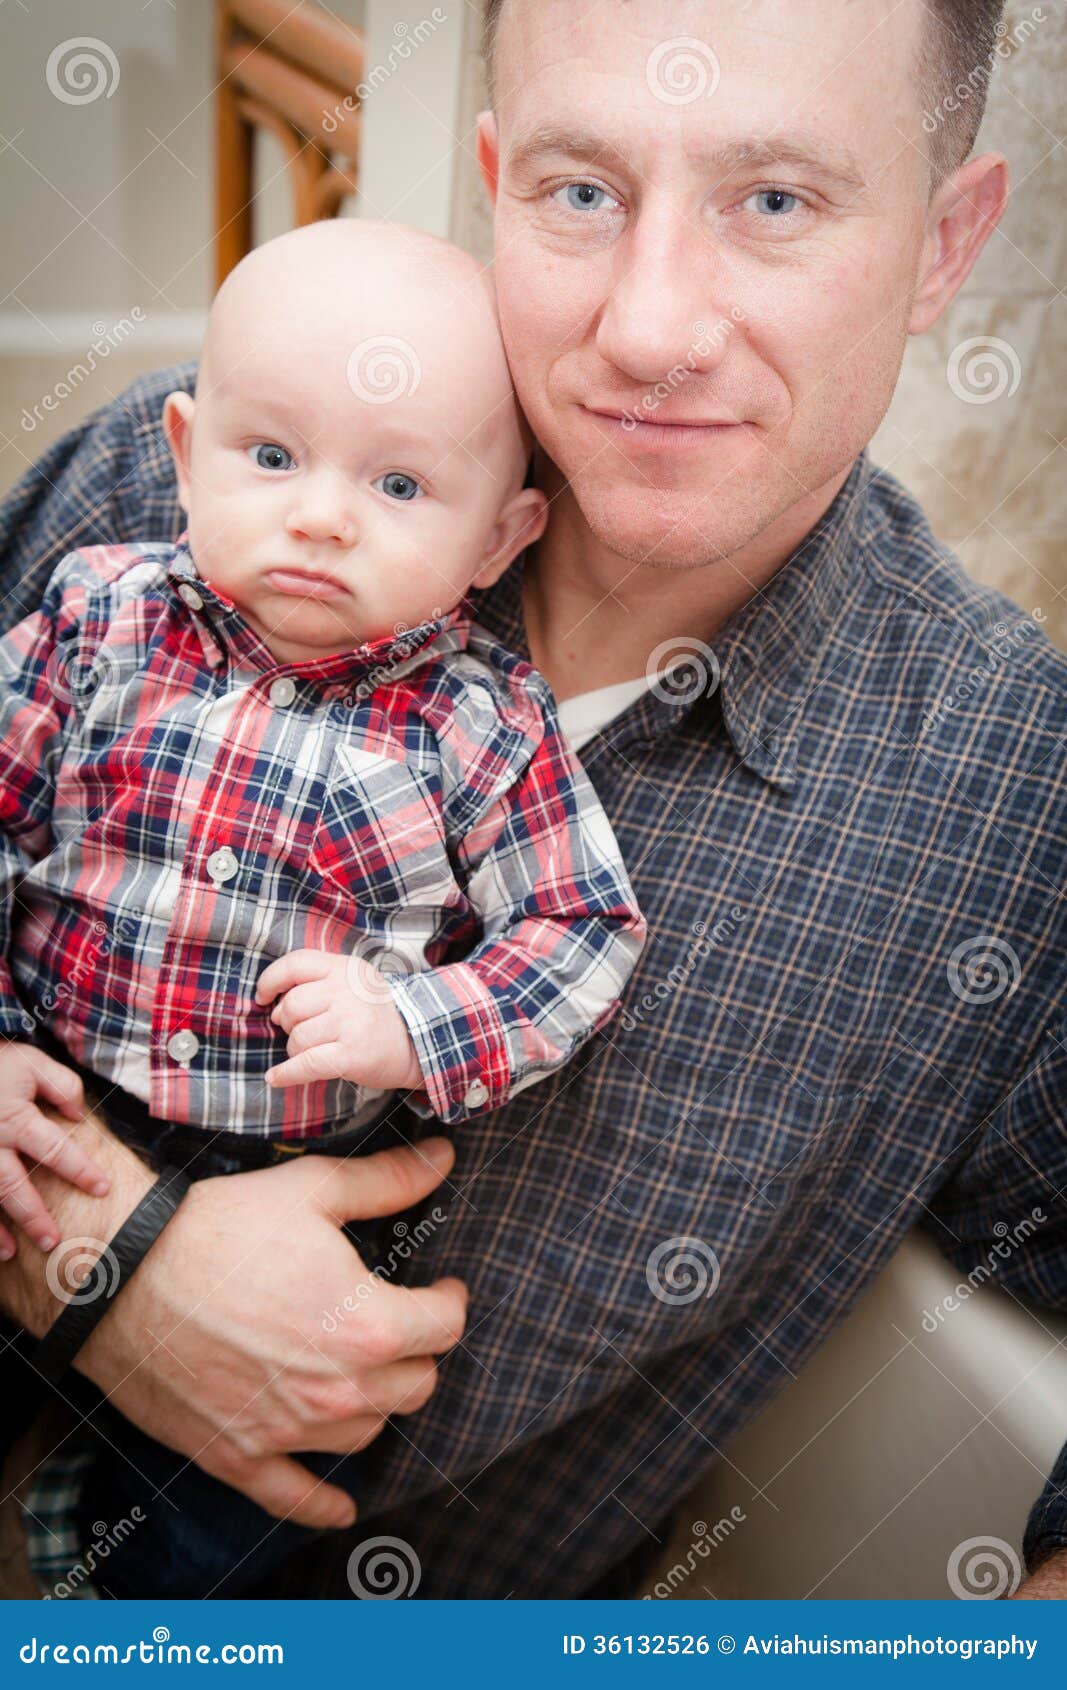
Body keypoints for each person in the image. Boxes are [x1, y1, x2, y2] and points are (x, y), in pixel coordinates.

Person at [1, 0, 1065, 1601]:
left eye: (775, 199)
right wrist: (86, 1262)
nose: (650, 328)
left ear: (943, 244)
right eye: (582, 191)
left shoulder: (1012, 797)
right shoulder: (184, 487)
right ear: (497, 185)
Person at [0, 220, 645, 1594]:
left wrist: (419, 1023)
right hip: (45, 1087)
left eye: (400, 483)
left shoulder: (481, 725)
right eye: (272, 456)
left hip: (284, 1170)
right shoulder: (100, 619)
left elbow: (580, 927)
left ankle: (125, 1596)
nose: (322, 515)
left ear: (501, 536)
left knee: (252, 1493)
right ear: (186, 454)